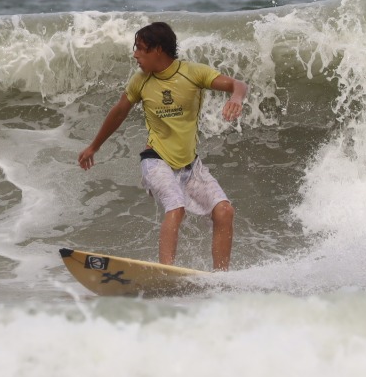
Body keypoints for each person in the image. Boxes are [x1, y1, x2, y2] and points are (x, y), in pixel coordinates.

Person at [78, 22, 248, 271]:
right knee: (176, 207)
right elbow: (118, 113)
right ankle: (166, 271)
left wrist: (236, 97)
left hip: (190, 165)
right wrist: (94, 146)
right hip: (155, 159)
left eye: (141, 49)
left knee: (224, 211)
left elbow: (238, 84)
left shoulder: (193, 73)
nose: (135, 54)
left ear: (158, 50)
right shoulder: (140, 81)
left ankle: (220, 276)